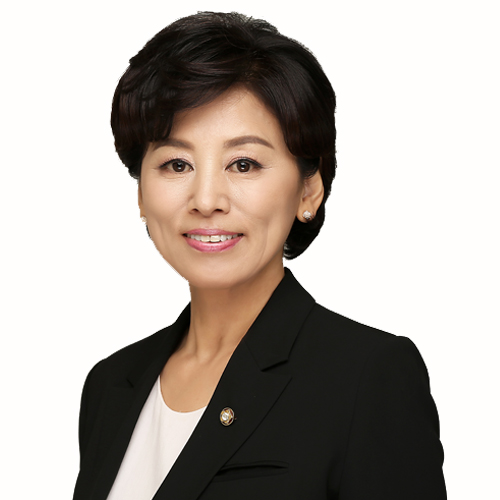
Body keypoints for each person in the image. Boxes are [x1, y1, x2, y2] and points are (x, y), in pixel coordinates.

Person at [73, 12, 446, 500]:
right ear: (141, 193)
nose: (206, 199)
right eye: (176, 164)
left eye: (244, 164)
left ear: (309, 190)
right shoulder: (110, 385)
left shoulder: (367, 377)